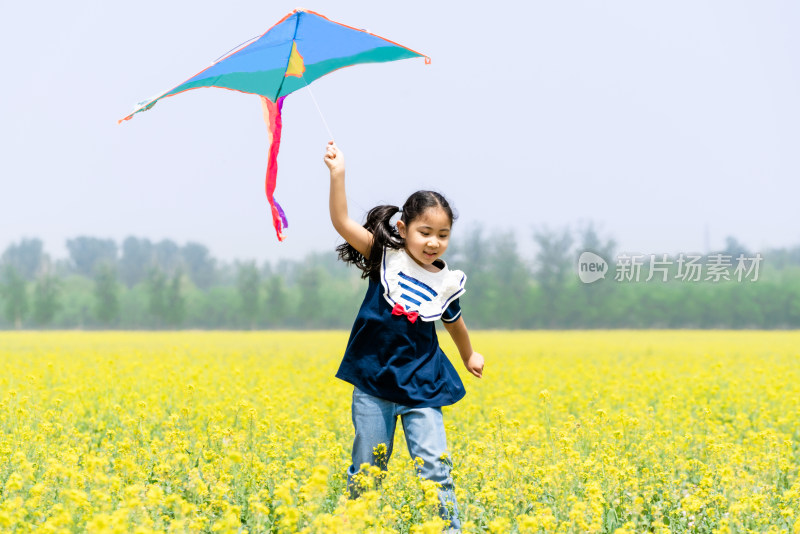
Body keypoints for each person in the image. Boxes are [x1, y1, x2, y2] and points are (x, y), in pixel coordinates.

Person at [324, 141, 485, 532]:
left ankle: (449, 530)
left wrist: (469, 355)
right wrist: (338, 174)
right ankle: (355, 527)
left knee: (435, 468)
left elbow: (454, 324)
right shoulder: (385, 257)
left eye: (443, 235)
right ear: (403, 229)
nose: (433, 242)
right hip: (374, 382)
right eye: (425, 232)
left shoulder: (443, 282)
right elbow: (343, 223)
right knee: (367, 471)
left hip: (422, 386)